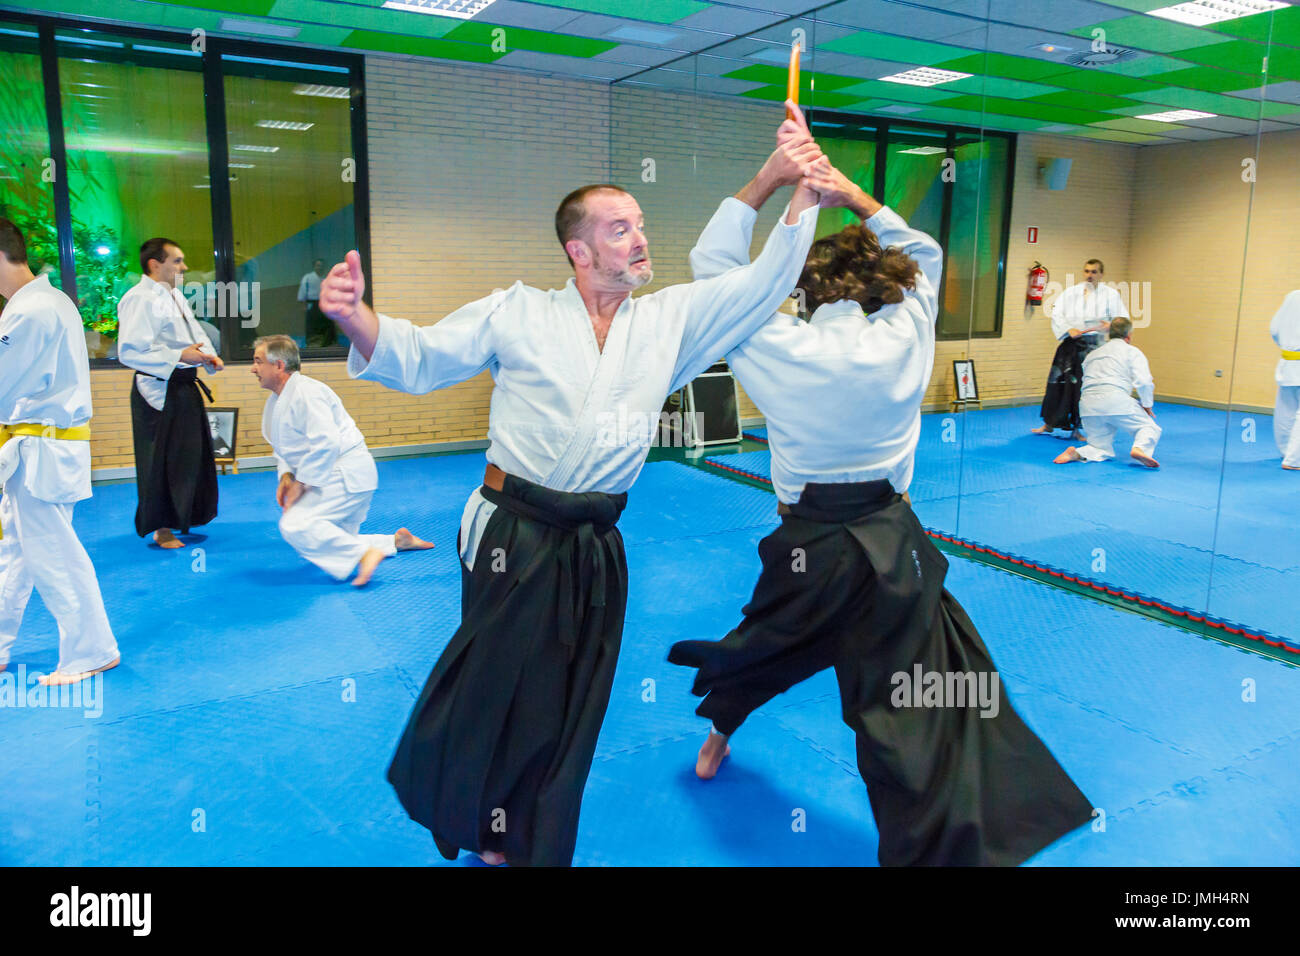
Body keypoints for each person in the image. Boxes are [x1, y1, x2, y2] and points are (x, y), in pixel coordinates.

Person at [319, 102, 824, 866]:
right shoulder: (516, 311)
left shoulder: (668, 322)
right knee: (495, 688)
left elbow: (765, 281)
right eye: (620, 228)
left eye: (641, 223)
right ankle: (475, 818)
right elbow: (419, 357)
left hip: (594, 538)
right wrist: (356, 318)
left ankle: (526, 837)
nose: (641, 238)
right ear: (578, 251)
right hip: (509, 529)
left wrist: (798, 184)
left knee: (569, 698)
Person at [667, 162, 1094, 866]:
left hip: (808, 546)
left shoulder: (774, 338)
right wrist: (849, 194)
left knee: (766, 641)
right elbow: (926, 254)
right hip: (895, 544)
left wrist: (773, 185)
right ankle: (943, 842)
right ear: (881, 285)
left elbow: (714, 267)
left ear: (804, 290)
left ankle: (717, 733)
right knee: (919, 700)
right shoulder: (907, 328)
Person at [0, 217, 120, 686]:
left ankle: (91, 650)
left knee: (52, 553)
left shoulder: (33, 311)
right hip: (35, 448)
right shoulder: (41, 303)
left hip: (41, 451)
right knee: (17, 553)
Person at [252, 334, 434, 585]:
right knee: (325, 539)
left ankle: (365, 554)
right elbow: (285, 448)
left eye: (258, 361)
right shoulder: (279, 400)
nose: (253, 368)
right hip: (333, 473)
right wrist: (286, 475)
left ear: (279, 365)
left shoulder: (308, 393)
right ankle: (395, 542)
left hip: (345, 473)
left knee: (295, 525)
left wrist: (301, 484)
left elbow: (325, 442)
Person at [117, 238, 224, 549]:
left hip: (184, 386)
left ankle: (185, 516)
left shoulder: (174, 295)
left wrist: (208, 356)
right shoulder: (139, 298)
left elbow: (195, 335)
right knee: (159, 460)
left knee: (189, 456)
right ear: (155, 264)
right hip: (157, 389)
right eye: (177, 261)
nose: (184, 267)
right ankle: (161, 528)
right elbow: (129, 351)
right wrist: (178, 357)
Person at [1032, 259, 1129, 438]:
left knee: (1081, 388)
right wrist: (1068, 329)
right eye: (1086, 271)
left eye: (1093, 272)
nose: (1089, 275)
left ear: (1101, 274)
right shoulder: (1071, 292)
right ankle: (1049, 423)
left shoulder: (1111, 295)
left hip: (1093, 348)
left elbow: (1122, 320)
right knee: (1057, 383)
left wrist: (1109, 325)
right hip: (1070, 344)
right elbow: (1057, 314)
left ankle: (1077, 428)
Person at [1053, 317, 1160, 468]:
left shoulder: (1093, 355)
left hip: (1088, 406)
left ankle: (1078, 453)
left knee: (1099, 447)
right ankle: (1140, 448)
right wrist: (1147, 404)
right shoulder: (1132, 352)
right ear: (1129, 335)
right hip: (1115, 399)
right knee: (1149, 427)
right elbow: (1144, 382)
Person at [1270, 290, 1300, 470]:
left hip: (1288, 361)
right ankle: (1294, 459)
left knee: (1285, 410)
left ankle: (1285, 451)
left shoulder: (1293, 296)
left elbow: (1274, 329)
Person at [300, 258, 334, 348]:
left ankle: (328, 342)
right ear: (314, 266)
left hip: (325, 303)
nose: (320, 267)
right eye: (318, 265)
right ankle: (311, 343)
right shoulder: (307, 277)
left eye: (321, 266)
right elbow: (303, 292)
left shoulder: (326, 278)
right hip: (312, 304)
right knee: (312, 324)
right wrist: (304, 304)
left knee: (327, 324)